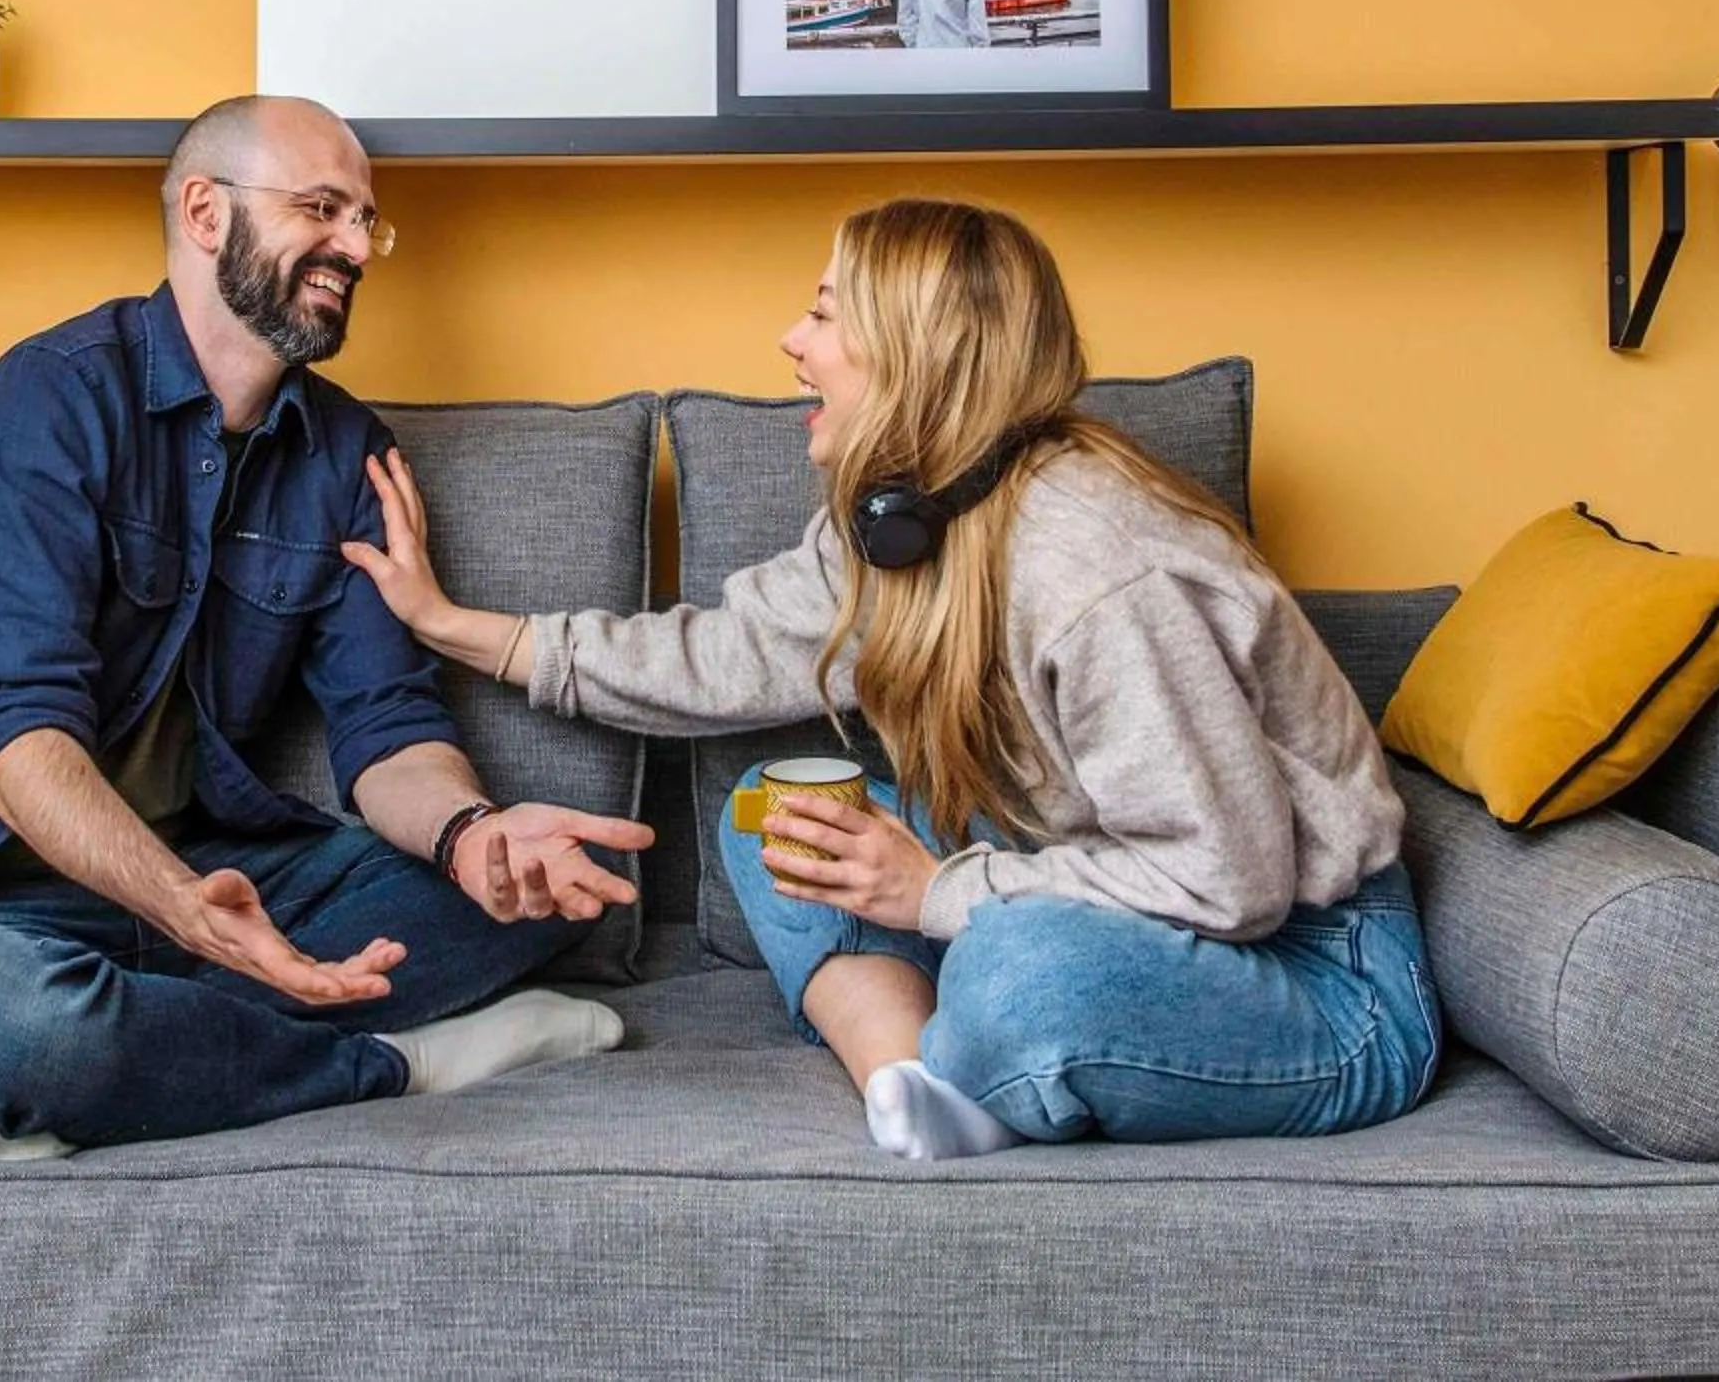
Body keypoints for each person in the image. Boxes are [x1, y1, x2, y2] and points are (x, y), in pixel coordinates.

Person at [342, 197, 1438, 1160]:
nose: (790, 340)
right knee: (776, 812)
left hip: (1313, 972)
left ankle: (978, 1052)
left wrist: (937, 895)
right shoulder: (908, 520)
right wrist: (453, 626)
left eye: (823, 314)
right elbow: (718, 657)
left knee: (1024, 980)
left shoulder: (1102, 571)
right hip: (1109, 886)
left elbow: (1229, 881)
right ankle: (910, 1087)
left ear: (919, 356)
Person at [0, 96, 651, 1152]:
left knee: (534, 903)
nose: (356, 246)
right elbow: (14, 742)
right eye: (323, 208)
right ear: (206, 211)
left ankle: (153, 1060)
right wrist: (186, 912)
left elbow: (387, 728)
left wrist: (470, 836)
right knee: (15, 1027)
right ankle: (388, 1063)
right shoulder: (46, 402)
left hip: (213, 887)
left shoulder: (344, 453)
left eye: (367, 221)